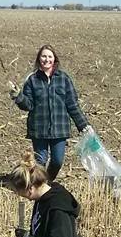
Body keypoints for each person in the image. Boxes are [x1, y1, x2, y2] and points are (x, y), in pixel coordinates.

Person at [9, 44, 93, 181]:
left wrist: (83, 125)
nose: (46, 59)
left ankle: (47, 181)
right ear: (39, 59)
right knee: (41, 161)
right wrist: (18, 96)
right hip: (39, 129)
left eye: (49, 56)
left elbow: (72, 105)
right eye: (43, 56)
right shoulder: (32, 79)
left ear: (54, 59)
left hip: (59, 129)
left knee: (57, 161)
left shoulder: (64, 79)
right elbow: (28, 105)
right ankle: (39, 186)